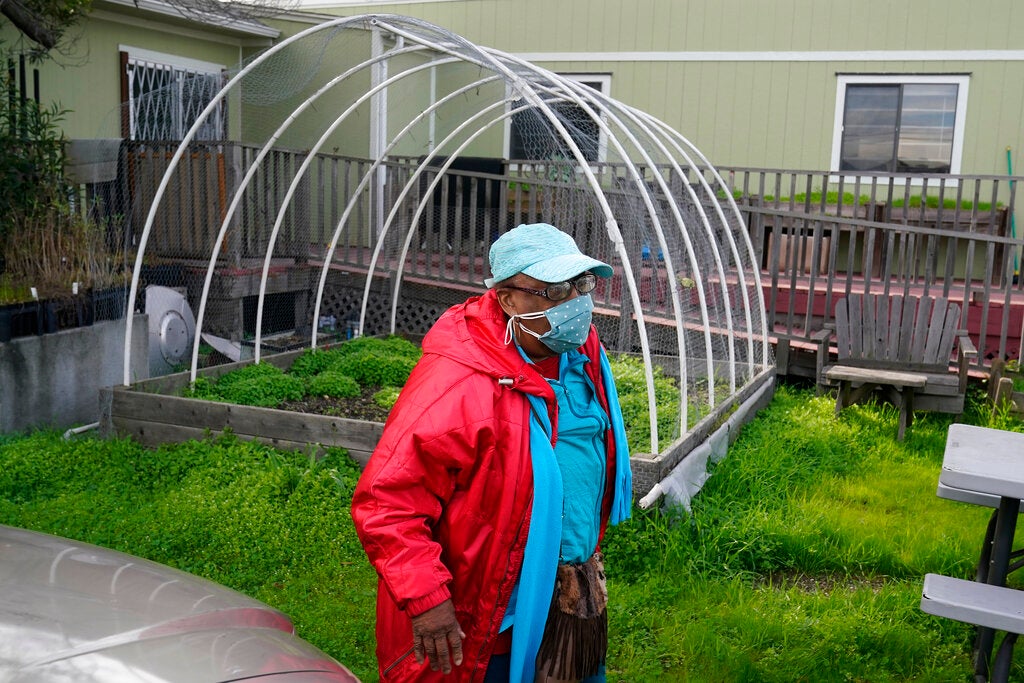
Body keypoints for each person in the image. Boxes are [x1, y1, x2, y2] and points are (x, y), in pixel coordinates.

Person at [351, 223, 632, 682]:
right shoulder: (457, 385)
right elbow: (387, 503)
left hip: (570, 591)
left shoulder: (580, 352)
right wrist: (426, 600)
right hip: (494, 611)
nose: (575, 303)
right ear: (507, 299)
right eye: (554, 289)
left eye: (581, 284)